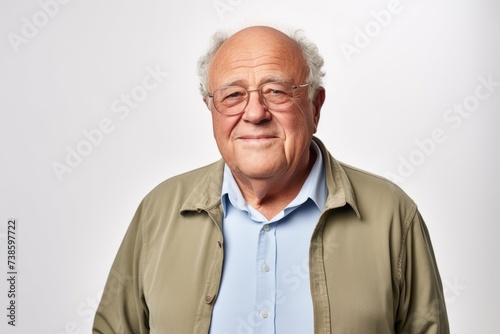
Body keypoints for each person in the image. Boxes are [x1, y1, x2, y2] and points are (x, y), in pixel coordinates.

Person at [93, 25, 449, 333]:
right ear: (211, 110)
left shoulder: (393, 215)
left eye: (276, 91)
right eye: (233, 95)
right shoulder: (159, 212)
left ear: (315, 106)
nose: (254, 113)